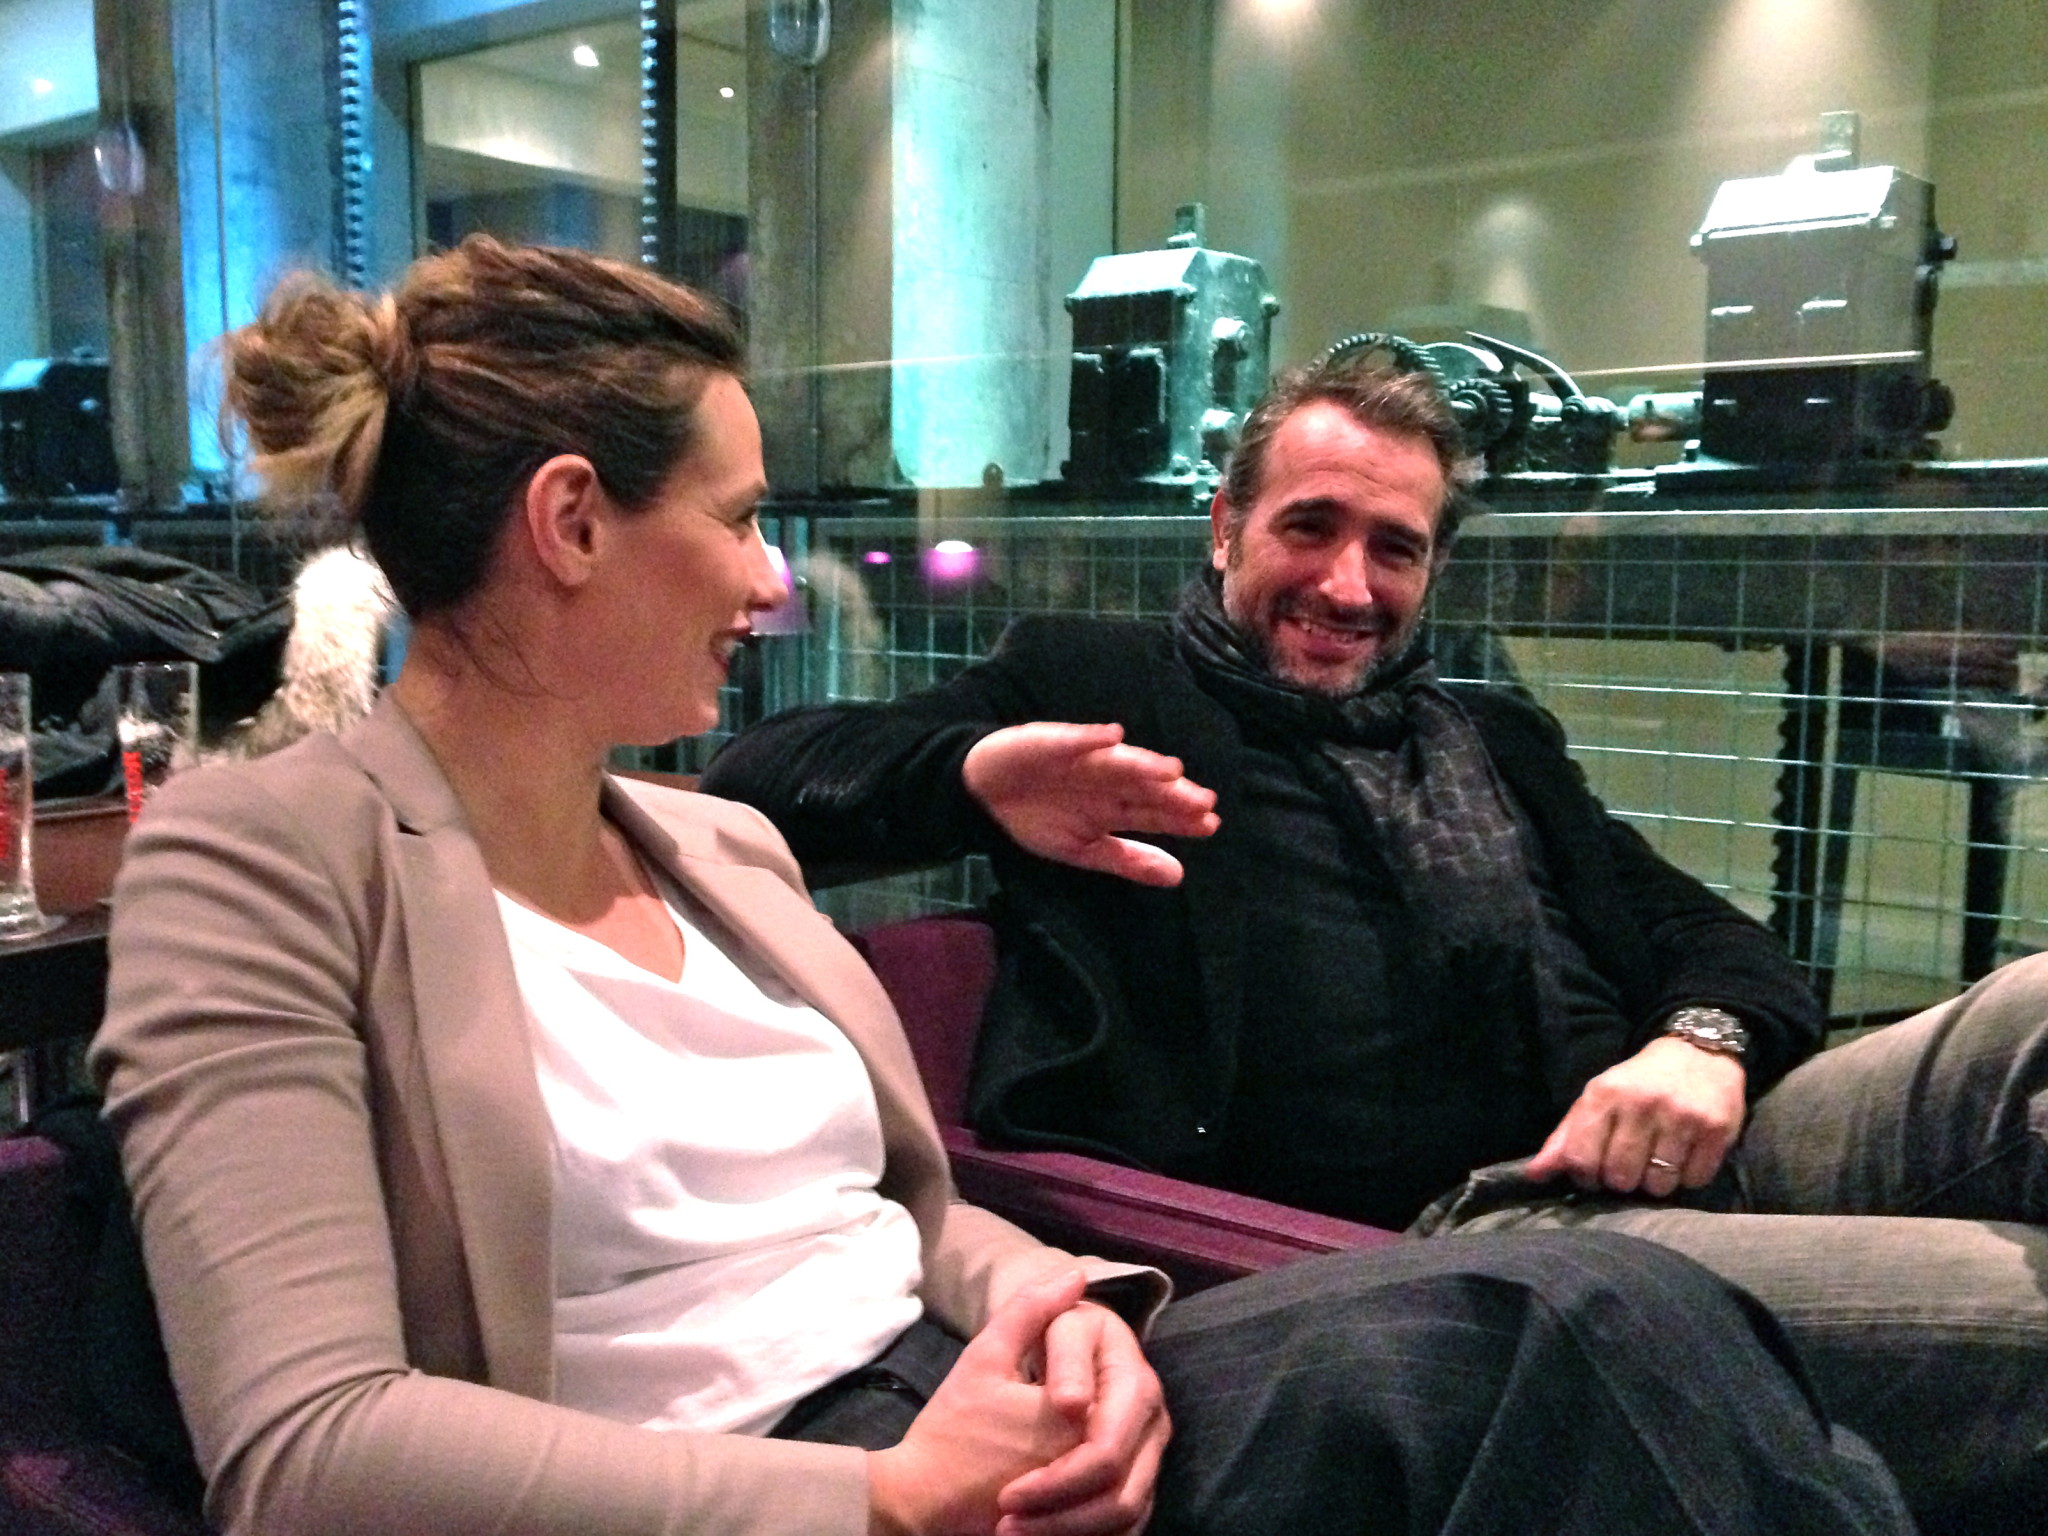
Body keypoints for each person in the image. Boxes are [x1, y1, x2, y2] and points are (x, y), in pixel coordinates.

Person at [85, 238, 1917, 1536]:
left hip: (974, 1396)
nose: (775, 583)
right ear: (570, 523)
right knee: (1581, 1322)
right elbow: (309, 1451)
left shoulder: (709, 848)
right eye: (739, 520)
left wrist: (1068, 1305)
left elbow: (916, 1212)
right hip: (804, 1483)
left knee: (1657, 1331)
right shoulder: (257, 860)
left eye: (1400, 547)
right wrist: (884, 1499)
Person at [703, 354, 2048, 1529]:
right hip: (1484, 1226)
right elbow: (766, 778)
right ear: (1225, 527)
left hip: (1654, 1138)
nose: (1348, 585)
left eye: (1393, 548)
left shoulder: (1487, 733)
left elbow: (1698, 929)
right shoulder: (1105, 686)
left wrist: (1701, 1042)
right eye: (1311, 527)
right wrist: (973, 773)